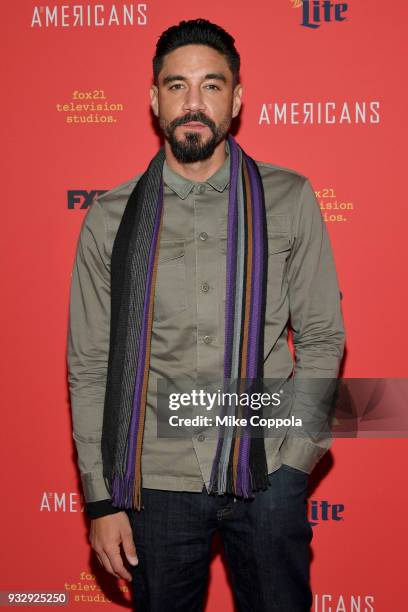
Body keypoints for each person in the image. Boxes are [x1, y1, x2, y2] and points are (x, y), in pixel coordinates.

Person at [67, 18, 345, 612]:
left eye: (211, 85)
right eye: (177, 86)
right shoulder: (110, 217)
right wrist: (100, 499)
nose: (193, 103)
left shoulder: (289, 198)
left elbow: (322, 337)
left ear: (236, 98)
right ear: (154, 99)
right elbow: (90, 364)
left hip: (267, 469)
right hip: (153, 484)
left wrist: (296, 459)